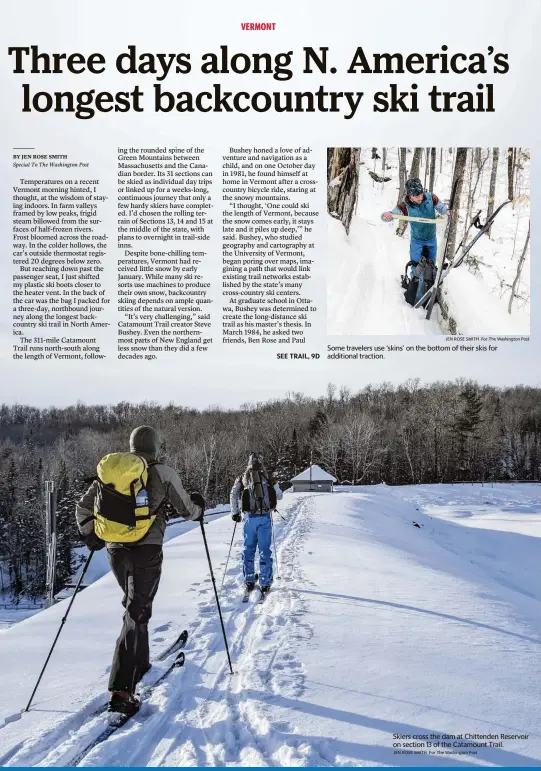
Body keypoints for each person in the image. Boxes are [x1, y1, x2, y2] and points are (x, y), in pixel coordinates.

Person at [75, 425, 204, 716]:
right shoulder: (162, 472)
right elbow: (186, 509)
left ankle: (140, 663)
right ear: (157, 446)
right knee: (136, 610)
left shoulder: (112, 472)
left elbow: (83, 509)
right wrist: (199, 507)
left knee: (137, 606)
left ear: (132, 445)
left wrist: (90, 534)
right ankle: (121, 691)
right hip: (147, 549)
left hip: (115, 550)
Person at [230, 453, 283, 596]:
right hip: (265, 518)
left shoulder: (243, 477)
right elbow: (279, 496)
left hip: (249, 519)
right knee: (264, 550)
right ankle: (265, 582)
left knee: (248, 549)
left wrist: (235, 512)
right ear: (261, 462)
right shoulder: (267, 477)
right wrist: (274, 483)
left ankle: (249, 579)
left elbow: (234, 494)